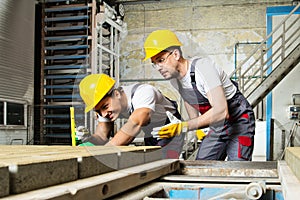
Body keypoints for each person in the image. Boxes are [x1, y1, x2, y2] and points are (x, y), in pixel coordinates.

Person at [143, 29, 255, 161]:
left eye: (161, 60)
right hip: (218, 126)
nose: (158, 67)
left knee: (237, 166)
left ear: (176, 54)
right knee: (202, 163)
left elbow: (221, 111)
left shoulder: (202, 68)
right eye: (154, 64)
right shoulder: (175, 80)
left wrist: (183, 126)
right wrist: (196, 127)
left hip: (238, 120)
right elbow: (189, 99)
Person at [78, 73, 184, 159]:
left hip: (171, 130)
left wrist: (104, 153)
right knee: (151, 162)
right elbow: (101, 136)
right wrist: (88, 141)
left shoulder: (144, 92)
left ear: (116, 94)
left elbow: (136, 123)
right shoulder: (106, 109)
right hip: (151, 132)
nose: (104, 114)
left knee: (164, 165)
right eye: (98, 111)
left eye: (105, 106)